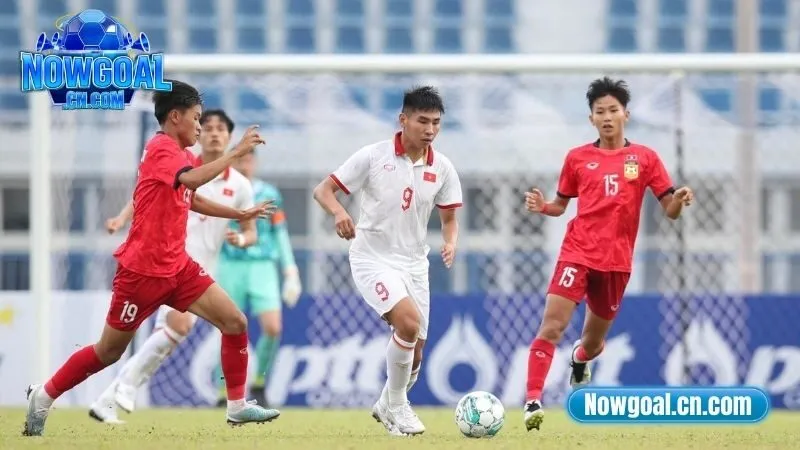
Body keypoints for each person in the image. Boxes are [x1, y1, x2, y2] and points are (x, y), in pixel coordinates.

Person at [23, 81, 280, 437]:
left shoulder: (181, 154)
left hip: (178, 267)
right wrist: (236, 153)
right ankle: (44, 395)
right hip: (141, 273)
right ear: (175, 117)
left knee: (234, 321)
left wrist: (238, 214)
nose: (199, 127)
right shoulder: (162, 149)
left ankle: (236, 407)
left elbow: (191, 196)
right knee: (108, 352)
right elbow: (190, 181)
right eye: (196, 119)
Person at [521, 77, 694, 431]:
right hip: (577, 252)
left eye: (613, 110)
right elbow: (560, 205)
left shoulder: (645, 158)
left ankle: (580, 360)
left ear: (626, 115)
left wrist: (679, 199)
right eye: (600, 111)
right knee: (552, 325)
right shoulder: (577, 158)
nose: (607, 117)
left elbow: (669, 210)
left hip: (616, 263)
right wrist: (542, 207)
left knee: (593, 343)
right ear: (591, 119)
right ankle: (533, 400)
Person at [88, 109, 260, 423]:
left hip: (200, 267)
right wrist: (123, 218)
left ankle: (110, 396)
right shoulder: (184, 166)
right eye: (206, 126)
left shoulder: (240, 185)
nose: (212, 133)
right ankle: (124, 387)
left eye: (221, 128)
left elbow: (251, 231)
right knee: (178, 327)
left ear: (230, 136)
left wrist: (242, 241)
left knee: (173, 334)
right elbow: (146, 192)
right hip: (171, 261)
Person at [312, 86, 462, 436]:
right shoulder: (373, 156)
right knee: (407, 325)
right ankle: (397, 406)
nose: (429, 129)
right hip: (372, 258)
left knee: (417, 352)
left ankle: (386, 404)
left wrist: (451, 242)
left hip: (414, 263)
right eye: (422, 121)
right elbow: (323, 190)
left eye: (436, 123)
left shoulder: (442, 167)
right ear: (403, 119)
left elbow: (450, 218)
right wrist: (338, 213)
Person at [213, 148, 302, 407]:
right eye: (239, 160)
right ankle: (224, 391)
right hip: (230, 265)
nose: (244, 165)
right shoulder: (223, 192)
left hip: (262, 265)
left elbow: (280, 233)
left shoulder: (269, 195)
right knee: (227, 330)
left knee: (273, 328)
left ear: (255, 162)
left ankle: (259, 383)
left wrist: (290, 271)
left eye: (248, 160)